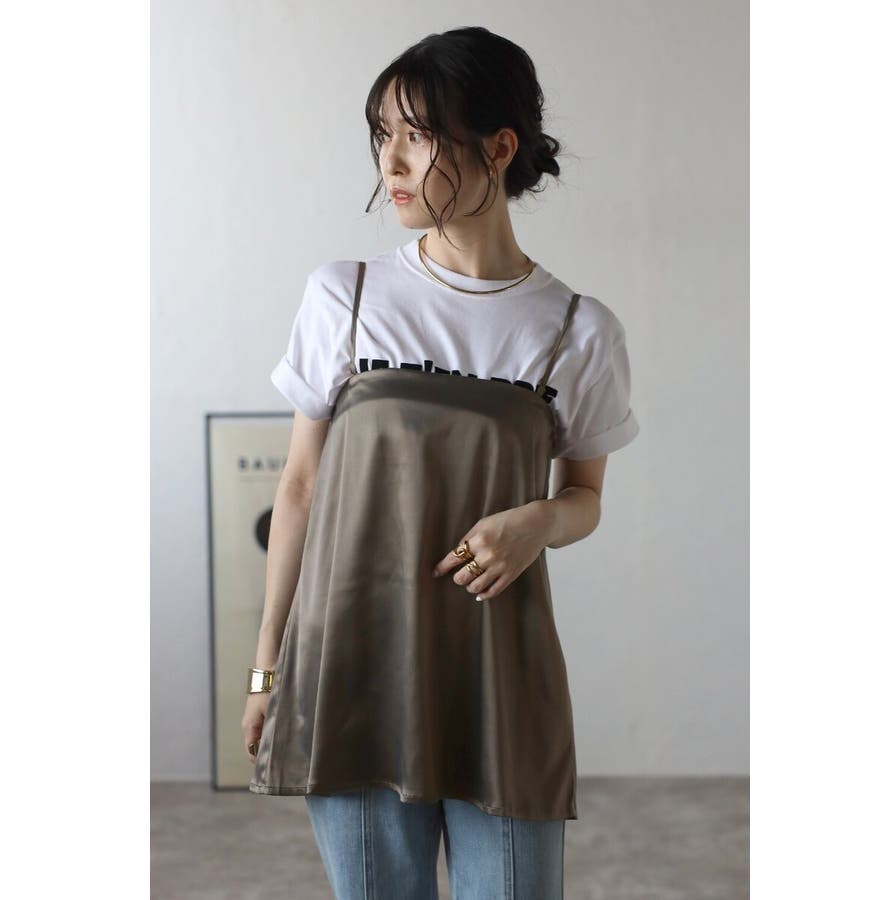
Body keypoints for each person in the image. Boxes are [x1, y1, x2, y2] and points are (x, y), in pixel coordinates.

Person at [242, 26, 639, 900]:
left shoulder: (577, 330)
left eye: (417, 136)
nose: (390, 162)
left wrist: (538, 521)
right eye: (382, 134)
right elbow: (299, 489)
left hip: (498, 678)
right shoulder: (345, 296)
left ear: (499, 148)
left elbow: (583, 498)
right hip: (350, 669)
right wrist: (267, 671)